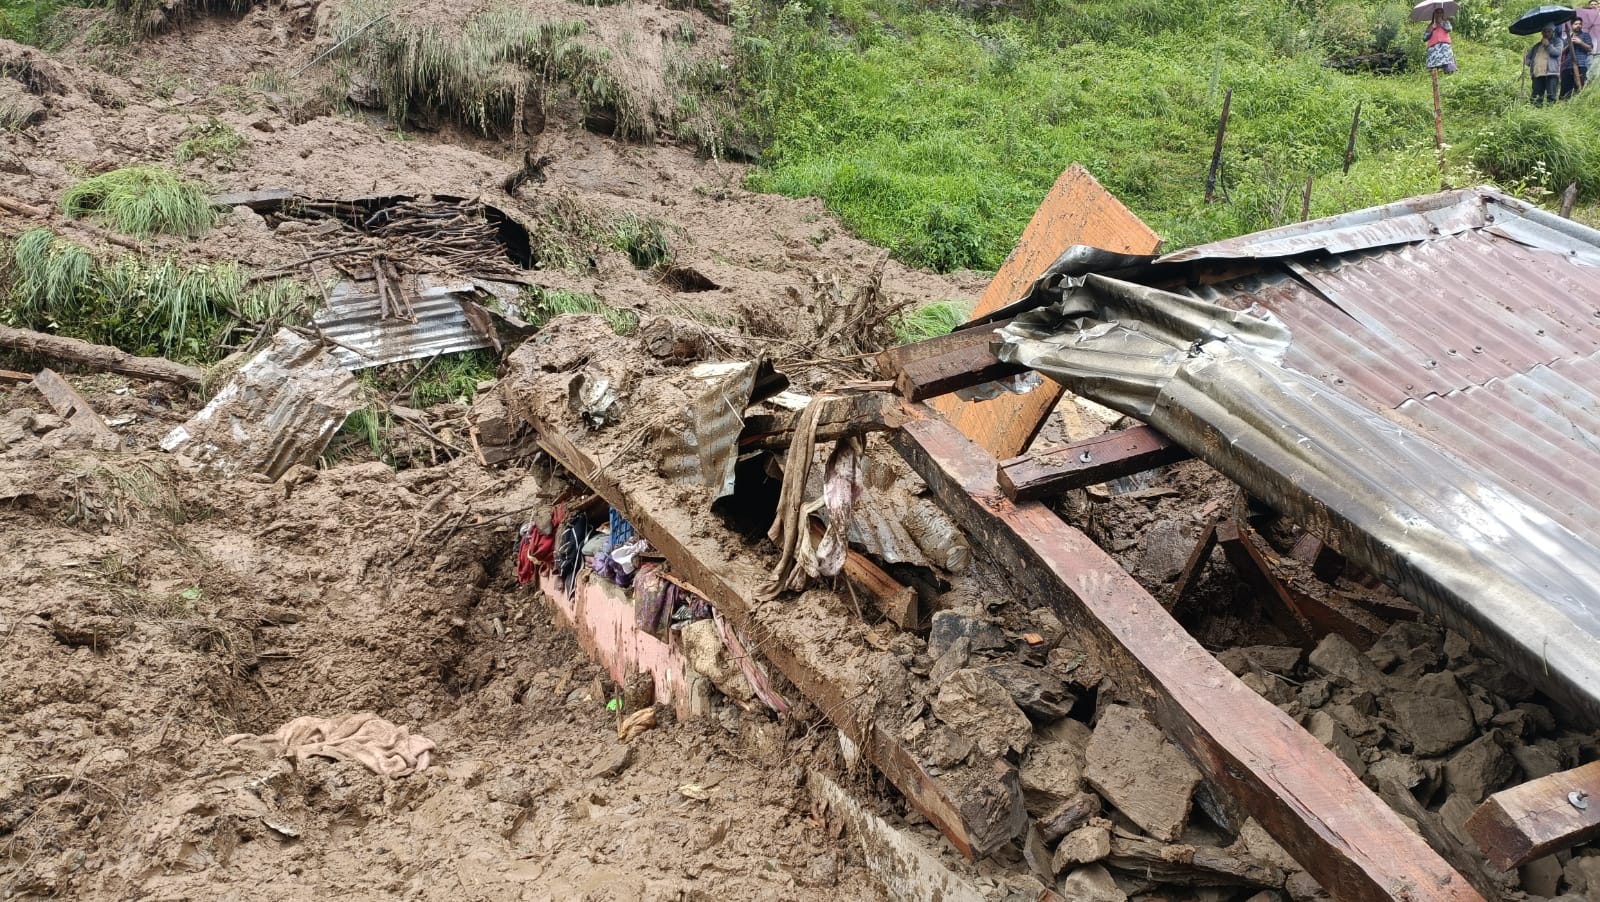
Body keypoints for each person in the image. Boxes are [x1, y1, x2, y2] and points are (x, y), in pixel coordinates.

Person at [1526, 25, 1564, 105]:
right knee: (1536, 97)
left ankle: (1550, 115)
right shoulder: (1537, 45)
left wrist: (1548, 45)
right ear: (1541, 33)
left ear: (1553, 32)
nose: (1546, 33)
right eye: (1544, 31)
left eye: (1549, 31)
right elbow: (1528, 59)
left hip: (1551, 74)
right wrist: (1529, 62)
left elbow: (1557, 53)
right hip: (1537, 74)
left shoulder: (1557, 41)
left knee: (1551, 97)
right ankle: (1535, 114)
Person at [1562, 19, 1593, 98]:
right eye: (1576, 24)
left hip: (1581, 64)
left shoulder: (1586, 35)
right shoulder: (1567, 37)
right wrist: (1570, 44)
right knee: (1565, 90)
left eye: (1580, 24)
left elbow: (1590, 48)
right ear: (1572, 26)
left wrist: (1580, 42)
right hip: (1568, 66)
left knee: (1580, 87)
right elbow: (1562, 52)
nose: (1578, 25)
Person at [1424, 9, 1457, 74]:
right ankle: (1435, 77)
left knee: (1449, 66)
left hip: (1444, 48)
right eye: (1437, 13)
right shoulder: (1430, 25)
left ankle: (1449, 73)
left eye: (1441, 13)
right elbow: (1424, 38)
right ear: (1434, 14)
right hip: (1433, 48)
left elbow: (1449, 29)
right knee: (1434, 69)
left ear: (1442, 14)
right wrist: (1431, 29)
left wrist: (1441, 23)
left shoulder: (1445, 22)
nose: (1439, 14)